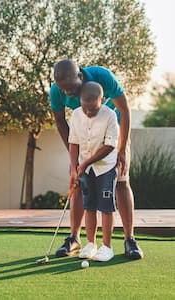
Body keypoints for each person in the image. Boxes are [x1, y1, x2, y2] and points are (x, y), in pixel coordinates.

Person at [49, 59, 143, 260]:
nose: (68, 93)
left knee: (121, 181)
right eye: (63, 90)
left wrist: (122, 149)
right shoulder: (58, 90)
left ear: (80, 77)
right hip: (84, 137)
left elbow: (125, 110)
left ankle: (129, 239)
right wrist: (73, 160)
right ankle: (74, 239)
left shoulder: (103, 77)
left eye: (71, 88)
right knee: (82, 182)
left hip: (114, 133)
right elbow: (60, 121)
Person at [69, 82, 118, 262]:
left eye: (93, 109)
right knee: (88, 206)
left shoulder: (110, 116)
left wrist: (86, 162)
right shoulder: (75, 115)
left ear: (102, 100)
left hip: (105, 168)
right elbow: (73, 142)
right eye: (85, 108)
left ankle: (107, 247)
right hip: (85, 168)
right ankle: (91, 244)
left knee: (106, 207)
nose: (89, 112)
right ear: (80, 100)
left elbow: (109, 146)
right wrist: (74, 168)